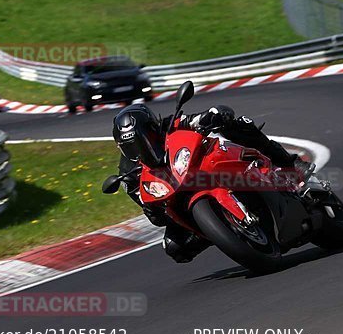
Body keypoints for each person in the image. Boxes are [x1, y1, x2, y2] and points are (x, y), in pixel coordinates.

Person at [111, 104, 313, 263]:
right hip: (178, 197)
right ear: (122, 147)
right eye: (132, 146)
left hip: (203, 170)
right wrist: (150, 208)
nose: (141, 147)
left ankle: (290, 165)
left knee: (238, 123)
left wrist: (212, 115)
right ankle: (222, 232)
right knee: (175, 248)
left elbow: (196, 119)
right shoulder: (128, 172)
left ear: (152, 127)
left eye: (145, 137)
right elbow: (156, 217)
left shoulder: (169, 125)